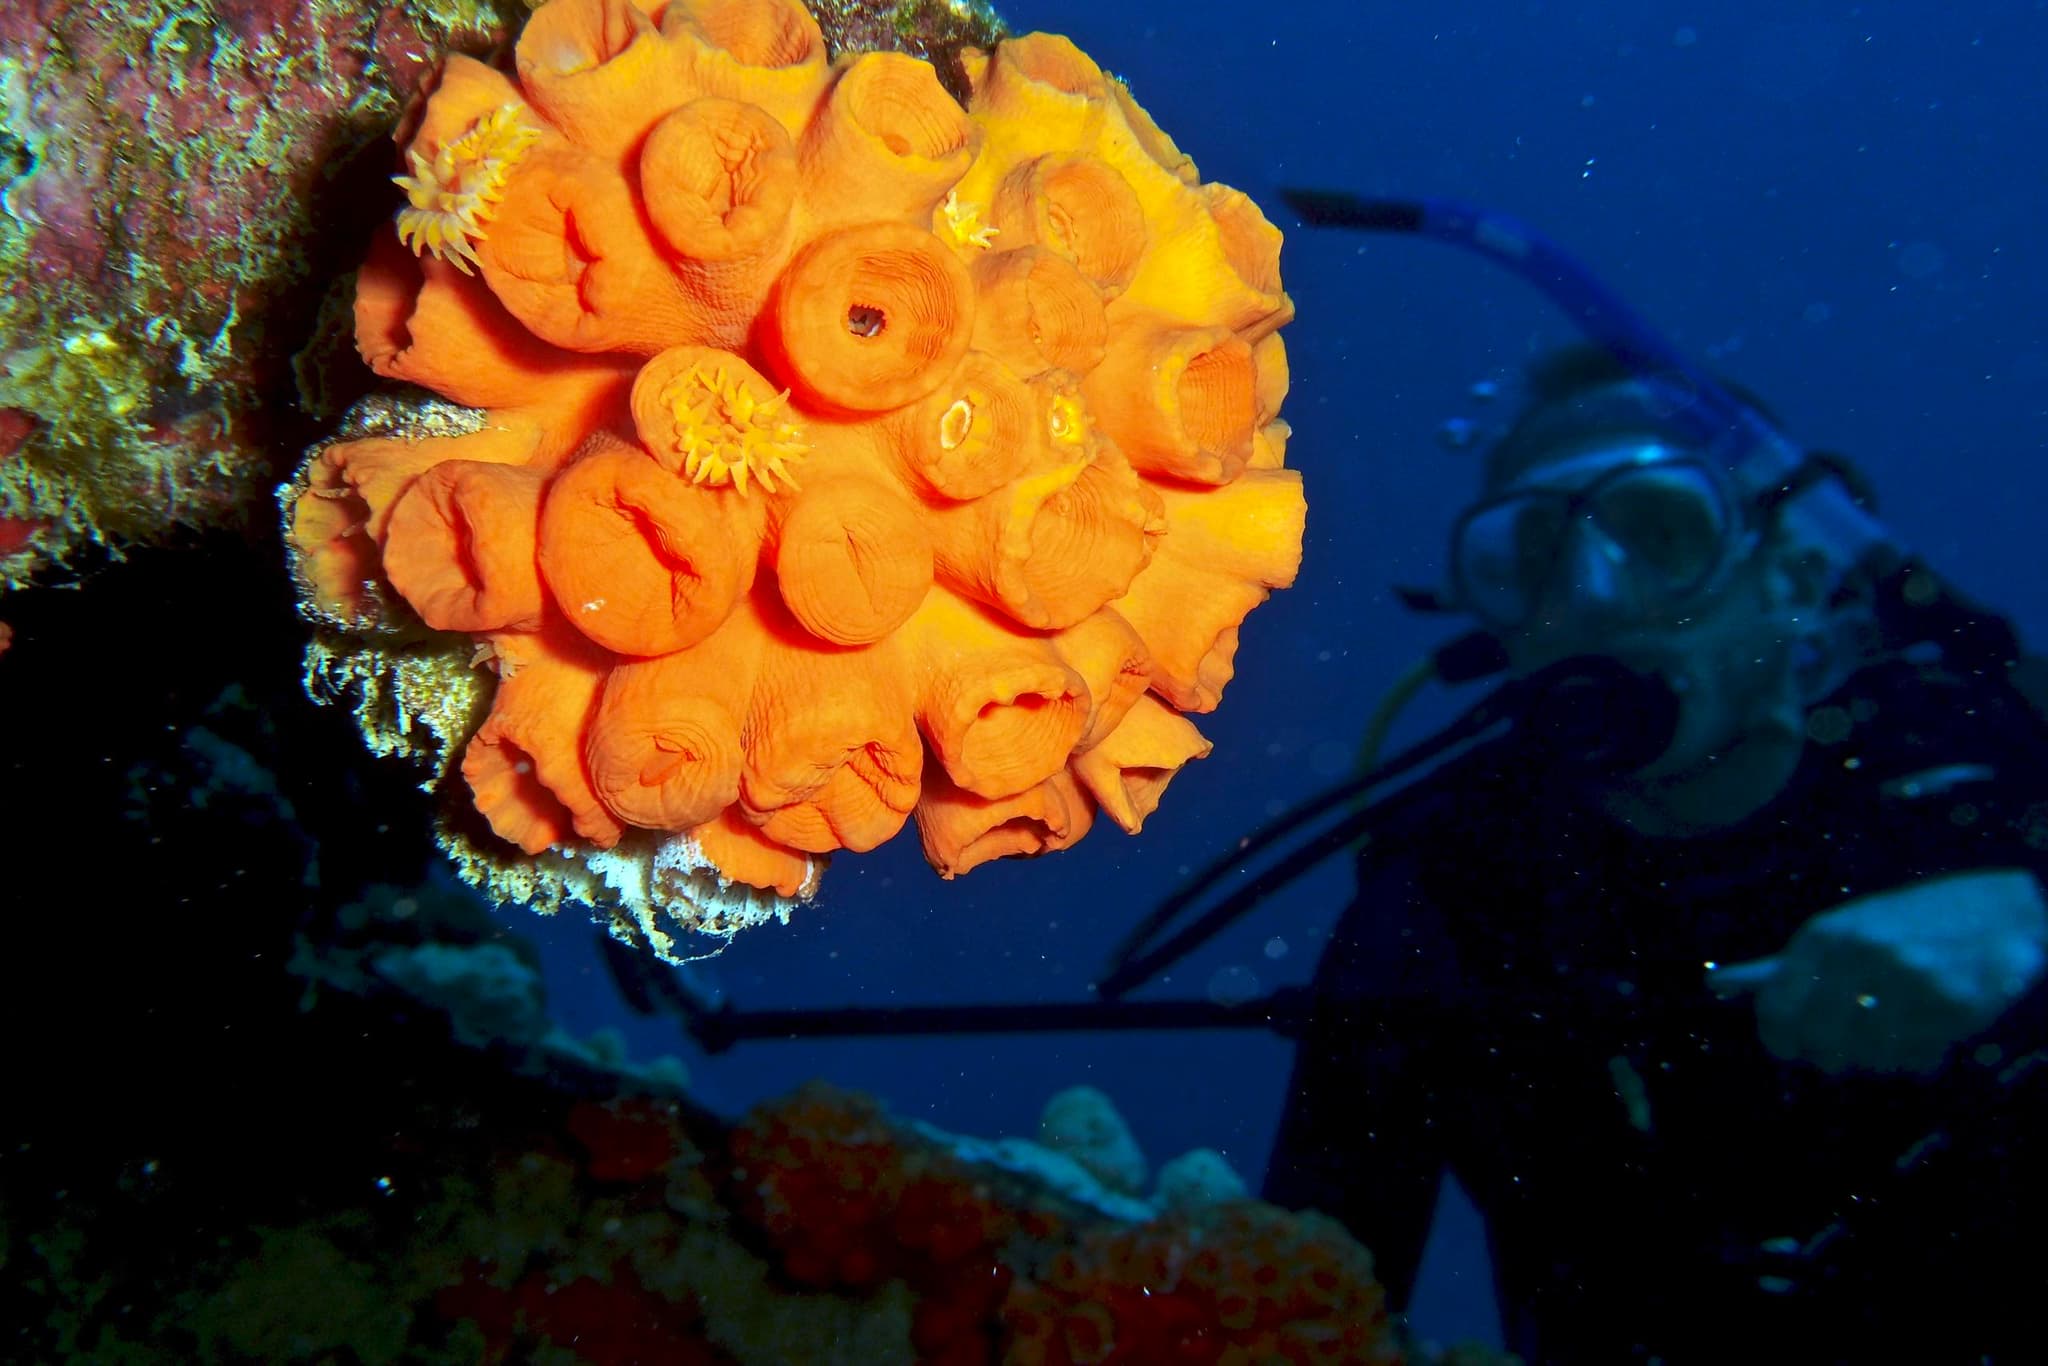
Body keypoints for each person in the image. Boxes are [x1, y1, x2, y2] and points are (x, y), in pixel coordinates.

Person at [1260, 334, 2048, 1361]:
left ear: (1790, 574)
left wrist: (2031, 929)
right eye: (1533, 554)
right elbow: (1303, 1291)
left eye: (1659, 530)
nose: (1590, 593)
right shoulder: (1449, 896)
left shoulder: (1977, 771)